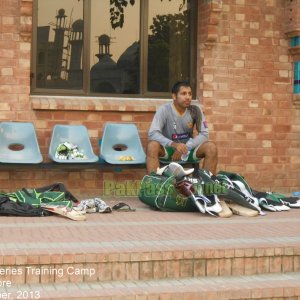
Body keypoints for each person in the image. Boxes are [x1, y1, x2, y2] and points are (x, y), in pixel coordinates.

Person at [147, 80, 218, 174]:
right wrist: (174, 145)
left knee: (211, 147)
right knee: (152, 146)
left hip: (188, 151)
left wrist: (186, 147)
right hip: (168, 150)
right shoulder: (164, 110)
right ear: (174, 96)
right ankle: (154, 184)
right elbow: (153, 133)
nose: (188, 97)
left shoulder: (195, 110)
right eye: (184, 93)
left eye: (190, 94)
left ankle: (207, 185)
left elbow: (204, 134)